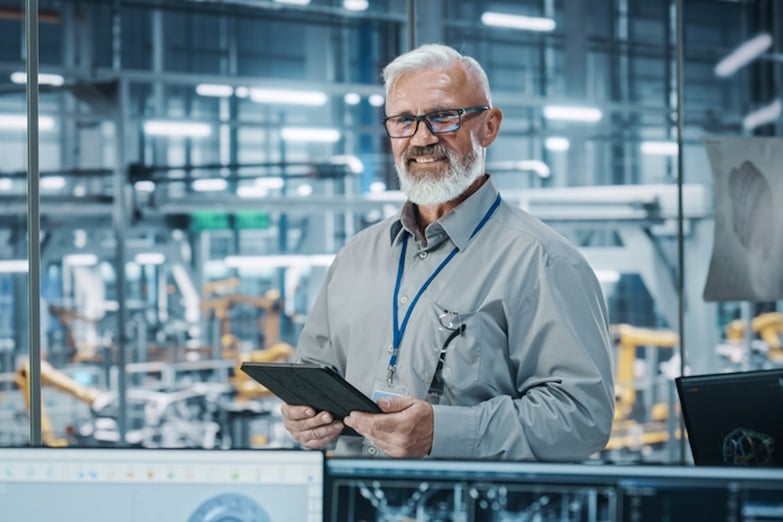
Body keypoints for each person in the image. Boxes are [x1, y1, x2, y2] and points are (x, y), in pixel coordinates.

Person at [280, 43, 615, 461]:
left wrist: (445, 432)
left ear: (489, 126)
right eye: (404, 120)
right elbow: (313, 372)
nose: (422, 138)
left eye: (443, 117)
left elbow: (584, 418)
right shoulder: (356, 256)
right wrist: (302, 417)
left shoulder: (542, 261)